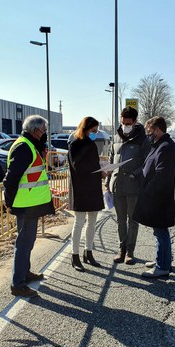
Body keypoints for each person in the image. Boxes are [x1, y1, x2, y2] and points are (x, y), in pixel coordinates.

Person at [3, 115, 55, 298]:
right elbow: (11, 178)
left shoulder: (31, 145)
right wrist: (8, 201)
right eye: (44, 131)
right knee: (24, 244)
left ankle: (25, 274)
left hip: (31, 204)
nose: (45, 134)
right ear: (35, 131)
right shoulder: (24, 147)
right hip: (25, 205)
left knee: (28, 242)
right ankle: (17, 284)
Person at [133, 116, 175, 278]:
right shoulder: (159, 145)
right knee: (160, 232)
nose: (148, 134)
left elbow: (161, 175)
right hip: (157, 196)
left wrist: (146, 190)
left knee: (160, 232)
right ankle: (163, 261)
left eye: (149, 131)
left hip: (158, 198)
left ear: (157, 130)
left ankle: (162, 266)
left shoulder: (165, 147)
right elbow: (149, 166)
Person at [105, 106, 150, 265]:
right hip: (117, 185)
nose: (125, 126)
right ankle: (121, 249)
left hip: (133, 186)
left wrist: (135, 174)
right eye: (123, 122)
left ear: (135, 122)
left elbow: (147, 163)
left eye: (128, 123)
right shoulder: (115, 137)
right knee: (120, 220)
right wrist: (107, 182)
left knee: (133, 220)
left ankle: (130, 251)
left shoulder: (143, 139)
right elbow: (111, 159)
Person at [68, 116, 105, 272]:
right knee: (79, 222)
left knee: (92, 222)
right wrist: (97, 171)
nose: (95, 133)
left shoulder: (91, 144)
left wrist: (102, 171)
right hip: (81, 188)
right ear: (85, 129)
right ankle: (74, 255)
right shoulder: (75, 144)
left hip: (93, 187)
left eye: (96, 131)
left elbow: (92, 164)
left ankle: (88, 252)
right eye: (93, 130)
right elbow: (78, 167)